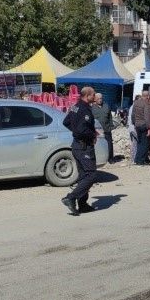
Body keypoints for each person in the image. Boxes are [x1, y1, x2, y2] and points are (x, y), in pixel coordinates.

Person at [62, 86, 99, 216]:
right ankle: (71, 198)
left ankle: (82, 204)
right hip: (84, 147)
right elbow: (82, 129)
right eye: (93, 94)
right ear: (87, 96)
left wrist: (77, 131)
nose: (95, 96)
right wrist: (93, 135)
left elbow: (66, 122)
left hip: (77, 146)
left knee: (83, 175)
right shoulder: (84, 109)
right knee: (91, 175)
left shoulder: (75, 106)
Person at [130, 90, 150, 164]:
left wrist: (134, 123)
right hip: (144, 125)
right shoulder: (146, 104)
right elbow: (147, 118)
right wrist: (148, 128)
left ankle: (137, 159)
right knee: (144, 144)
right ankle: (140, 161)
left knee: (139, 143)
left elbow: (133, 115)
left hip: (137, 125)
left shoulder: (136, 103)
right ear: (147, 96)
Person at [90, 93, 115, 163]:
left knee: (109, 144)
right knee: (97, 145)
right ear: (95, 99)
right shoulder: (92, 108)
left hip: (106, 129)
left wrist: (111, 126)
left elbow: (110, 117)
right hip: (97, 131)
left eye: (101, 98)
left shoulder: (106, 106)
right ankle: (98, 158)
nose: (100, 100)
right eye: (98, 99)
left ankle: (110, 158)